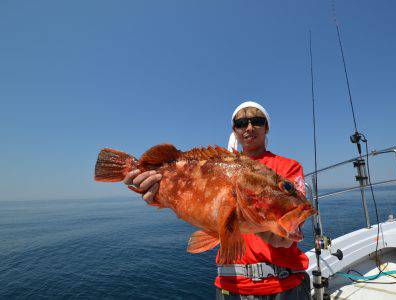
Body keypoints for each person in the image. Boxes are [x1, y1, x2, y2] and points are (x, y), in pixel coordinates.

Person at [123, 101, 311, 299]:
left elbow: (292, 225)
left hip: (284, 285)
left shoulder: (287, 167)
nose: (249, 127)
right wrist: (156, 192)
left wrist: (280, 232)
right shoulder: (222, 166)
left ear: (266, 127)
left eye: (256, 121)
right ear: (234, 130)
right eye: (241, 123)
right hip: (230, 288)